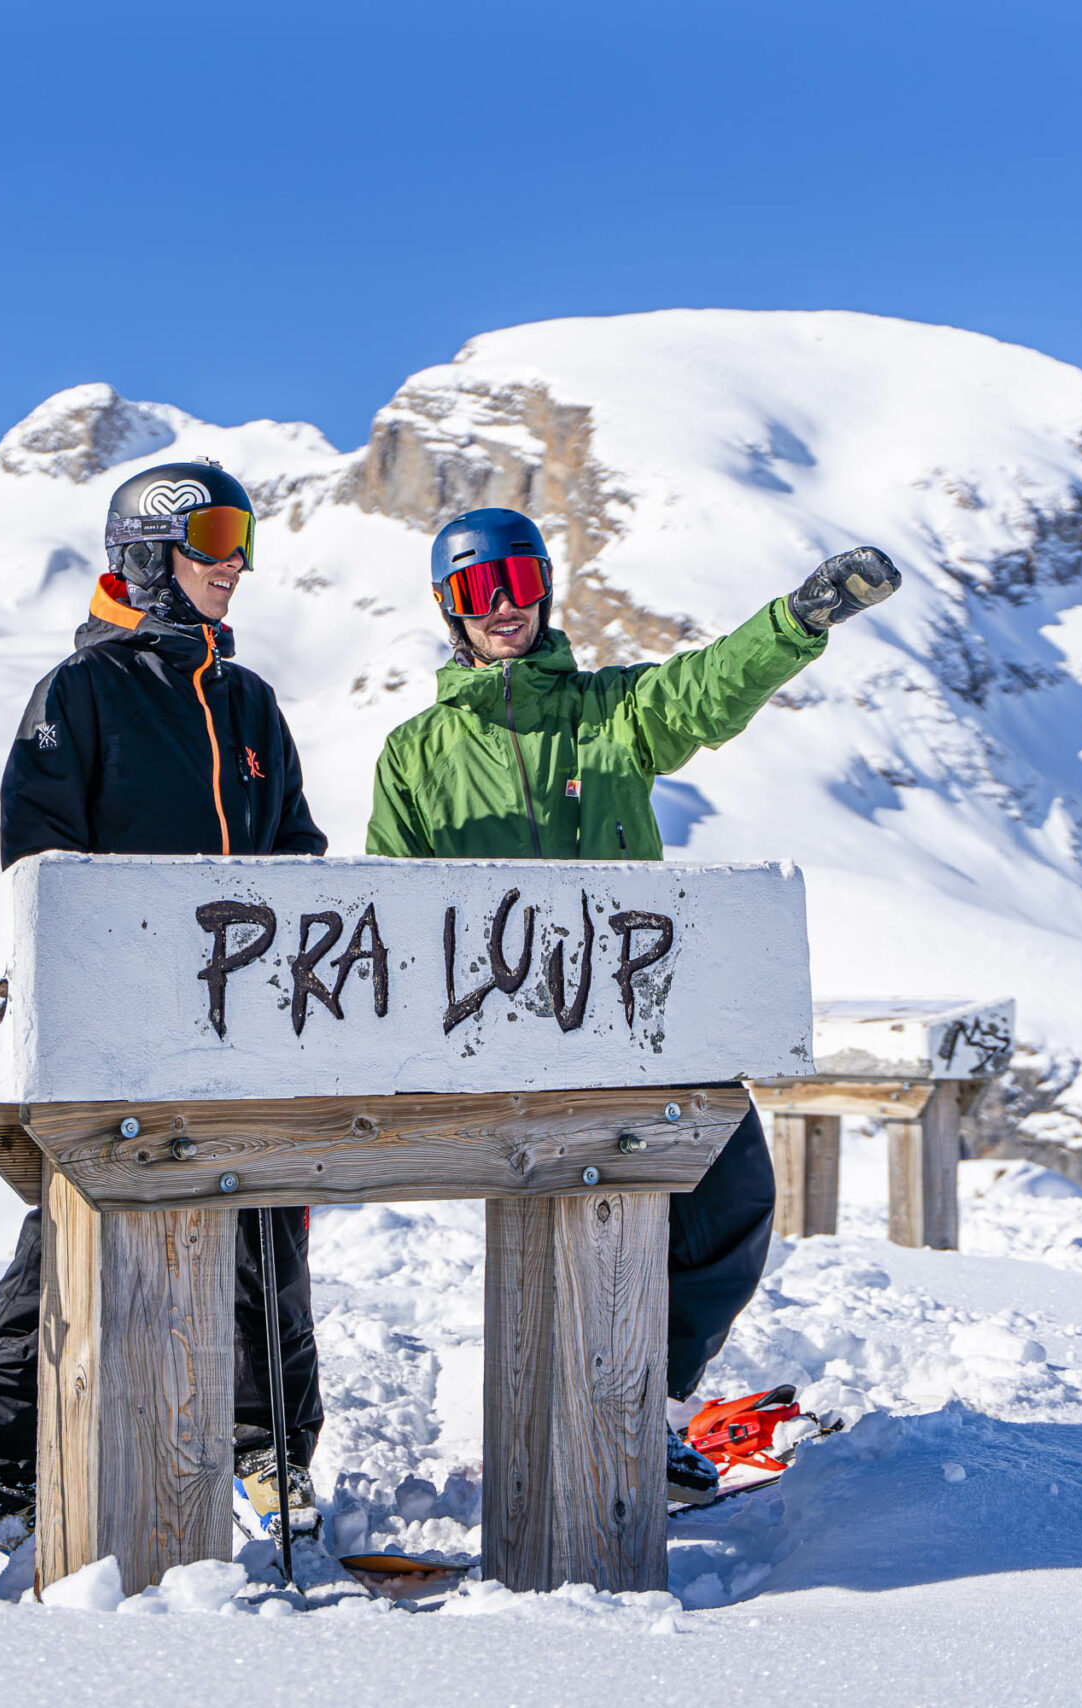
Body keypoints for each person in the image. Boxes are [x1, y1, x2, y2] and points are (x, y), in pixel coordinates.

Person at [366, 507, 901, 1501]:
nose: (508, 608)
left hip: (632, 1014)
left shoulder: (611, 713)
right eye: (482, 591)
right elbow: (394, 904)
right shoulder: (415, 754)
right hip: (503, 1037)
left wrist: (797, 618)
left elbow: (705, 690)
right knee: (573, 1221)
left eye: (522, 581)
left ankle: (637, 1407)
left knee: (730, 1187)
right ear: (450, 608)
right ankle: (559, 1428)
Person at [0, 460, 327, 1553]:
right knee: (70, 1234)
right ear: (148, 553)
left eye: (243, 537)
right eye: (211, 537)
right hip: (120, 1030)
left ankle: (270, 1447)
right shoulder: (82, 693)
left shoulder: (248, 701)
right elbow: (40, 857)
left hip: (242, 1027)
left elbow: (296, 845)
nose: (234, 562)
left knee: (265, 1232)